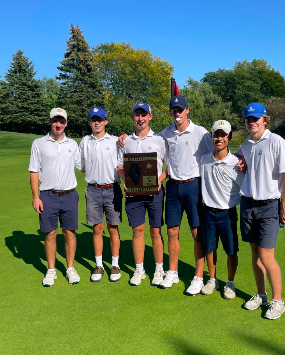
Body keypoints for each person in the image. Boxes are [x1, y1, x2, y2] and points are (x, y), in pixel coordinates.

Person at [238, 102, 285, 320]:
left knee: (266, 255)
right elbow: (233, 157)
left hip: (269, 205)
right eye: (248, 119)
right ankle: (261, 294)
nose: (252, 122)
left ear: (265, 120)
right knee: (255, 254)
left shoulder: (276, 140)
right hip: (248, 204)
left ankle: (278, 300)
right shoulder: (245, 145)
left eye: (256, 118)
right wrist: (241, 160)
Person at [158, 95, 214, 294]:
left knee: (196, 233)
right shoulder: (166, 132)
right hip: (173, 186)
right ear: (171, 112)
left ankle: (198, 277)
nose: (177, 113)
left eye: (180, 109)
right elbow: (147, 140)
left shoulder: (200, 132)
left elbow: (215, 153)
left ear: (187, 110)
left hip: (194, 186)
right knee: (172, 231)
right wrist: (124, 138)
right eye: (174, 110)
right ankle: (172, 272)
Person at [29, 107, 81, 287]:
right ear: (50, 122)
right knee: (50, 233)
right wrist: (36, 197)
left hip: (69, 195)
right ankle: (51, 270)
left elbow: (82, 166)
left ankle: (70, 268)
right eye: (55, 121)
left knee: (69, 232)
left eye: (61, 121)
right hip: (48, 195)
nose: (58, 124)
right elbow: (34, 171)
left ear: (66, 123)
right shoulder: (38, 143)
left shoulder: (73, 144)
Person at [117, 102, 167, 286]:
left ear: (150, 117)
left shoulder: (160, 140)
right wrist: (126, 182)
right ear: (133, 117)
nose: (140, 118)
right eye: (137, 115)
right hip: (134, 194)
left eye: (144, 115)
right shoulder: (125, 141)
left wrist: (159, 180)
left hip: (155, 192)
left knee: (155, 231)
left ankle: (159, 269)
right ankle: (139, 269)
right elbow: (120, 165)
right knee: (137, 230)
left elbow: (169, 166)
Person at [200, 120, 245, 299]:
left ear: (229, 137)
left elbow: (244, 188)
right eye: (216, 135)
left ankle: (230, 283)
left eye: (223, 135)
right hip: (208, 211)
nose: (219, 138)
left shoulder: (236, 163)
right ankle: (212, 279)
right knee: (210, 248)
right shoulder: (204, 160)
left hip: (227, 213)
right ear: (211, 137)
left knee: (231, 249)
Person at [79, 107, 122, 283]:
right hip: (93, 189)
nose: (97, 122)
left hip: (112, 189)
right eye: (93, 119)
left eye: (100, 119)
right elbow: (81, 165)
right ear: (89, 122)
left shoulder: (115, 141)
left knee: (113, 228)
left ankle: (115, 264)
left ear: (106, 121)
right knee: (97, 228)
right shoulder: (85, 142)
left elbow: (121, 163)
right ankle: (99, 265)